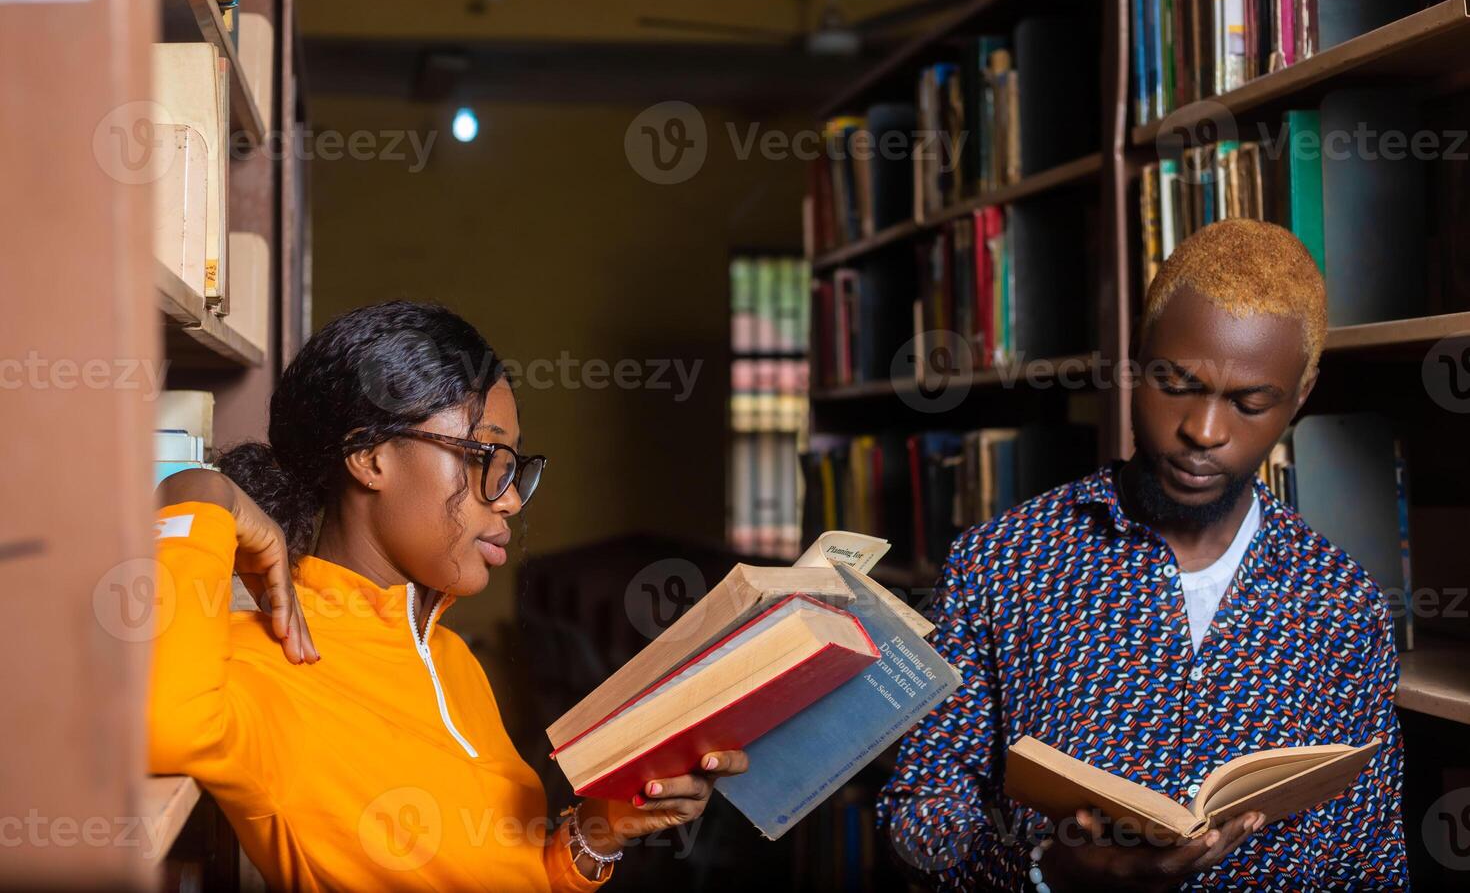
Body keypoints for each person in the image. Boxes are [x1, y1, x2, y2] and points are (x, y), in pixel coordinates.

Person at [878, 220, 1408, 890]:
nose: (1203, 431)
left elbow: (1374, 861)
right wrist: (1049, 870)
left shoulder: (1346, 604)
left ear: (1299, 397)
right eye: (1177, 383)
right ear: (1136, 357)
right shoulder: (1002, 562)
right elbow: (917, 823)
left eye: (1249, 403)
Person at [150, 300, 748, 890]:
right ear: (370, 456)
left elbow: (505, 874)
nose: (510, 499)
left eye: (515, 469)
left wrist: (596, 834)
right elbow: (165, 729)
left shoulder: (452, 660)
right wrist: (200, 493)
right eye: (488, 456)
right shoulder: (269, 663)